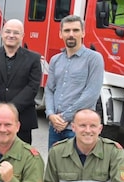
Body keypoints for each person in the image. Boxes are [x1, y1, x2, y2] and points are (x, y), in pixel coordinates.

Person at [44, 15, 104, 147]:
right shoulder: (55, 60)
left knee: (77, 166)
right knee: (54, 165)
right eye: (67, 31)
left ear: (83, 32)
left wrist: (64, 117)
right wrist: (50, 115)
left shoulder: (94, 59)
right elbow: (49, 89)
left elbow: (91, 95)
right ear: (60, 34)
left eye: (76, 30)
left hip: (78, 128)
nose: (71, 34)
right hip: (55, 127)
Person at [0, 19, 42, 144]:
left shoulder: (34, 58)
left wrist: (11, 108)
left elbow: (32, 87)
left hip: (22, 118)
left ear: (22, 36)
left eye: (16, 32)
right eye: (8, 31)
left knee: (21, 158)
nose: (11, 35)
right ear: (2, 33)